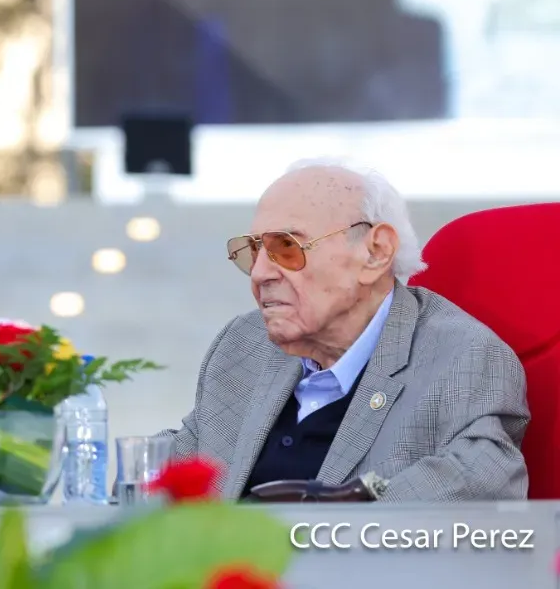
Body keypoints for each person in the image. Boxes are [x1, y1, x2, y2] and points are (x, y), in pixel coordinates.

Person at [162, 159, 528, 501]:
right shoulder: (244, 344)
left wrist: (317, 536)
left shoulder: (461, 357)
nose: (260, 273)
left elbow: (481, 487)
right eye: (253, 251)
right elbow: (185, 458)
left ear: (375, 252)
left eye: (286, 246)